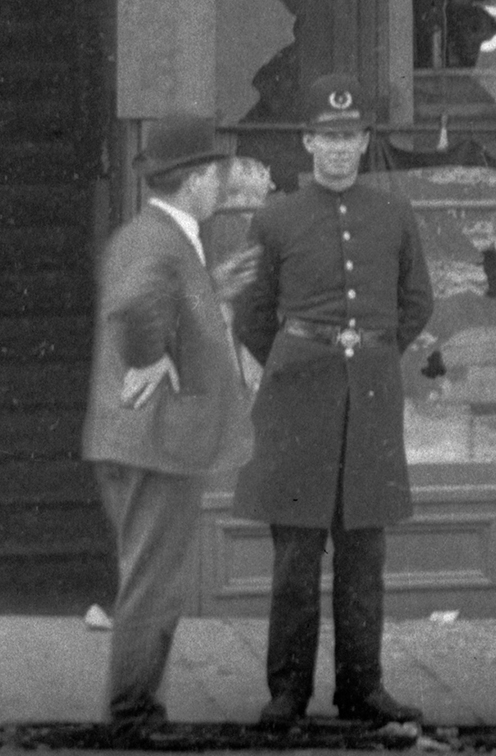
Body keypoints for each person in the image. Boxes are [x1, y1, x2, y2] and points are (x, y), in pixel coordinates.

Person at [233, 74, 435, 727]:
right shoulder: (277, 217)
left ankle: (361, 688)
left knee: (363, 552)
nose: (339, 150)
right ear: (308, 140)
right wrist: (300, 362)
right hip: (297, 400)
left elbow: (417, 303)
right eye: (327, 137)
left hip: (370, 397)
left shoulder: (393, 213)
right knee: (295, 556)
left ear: (365, 140)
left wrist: (371, 356)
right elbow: (252, 314)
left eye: (349, 137)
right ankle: (287, 691)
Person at [82, 116, 258, 730]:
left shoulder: (152, 234)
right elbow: (135, 307)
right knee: (153, 584)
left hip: (143, 438)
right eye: (218, 175)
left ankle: (137, 708)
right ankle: (132, 714)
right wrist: (148, 355)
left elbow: (152, 295)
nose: (223, 186)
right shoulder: (163, 238)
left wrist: (210, 289)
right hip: (155, 440)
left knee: (150, 576)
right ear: (195, 179)